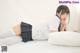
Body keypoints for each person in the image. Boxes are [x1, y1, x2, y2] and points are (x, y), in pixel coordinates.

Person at [0, 5, 70, 45]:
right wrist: (63, 26)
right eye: (64, 13)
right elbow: (55, 35)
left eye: (67, 14)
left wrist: (63, 25)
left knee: (10, 40)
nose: (66, 16)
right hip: (30, 31)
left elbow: (59, 36)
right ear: (59, 12)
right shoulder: (55, 19)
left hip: (31, 33)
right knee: (9, 37)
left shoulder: (58, 22)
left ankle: (2, 45)